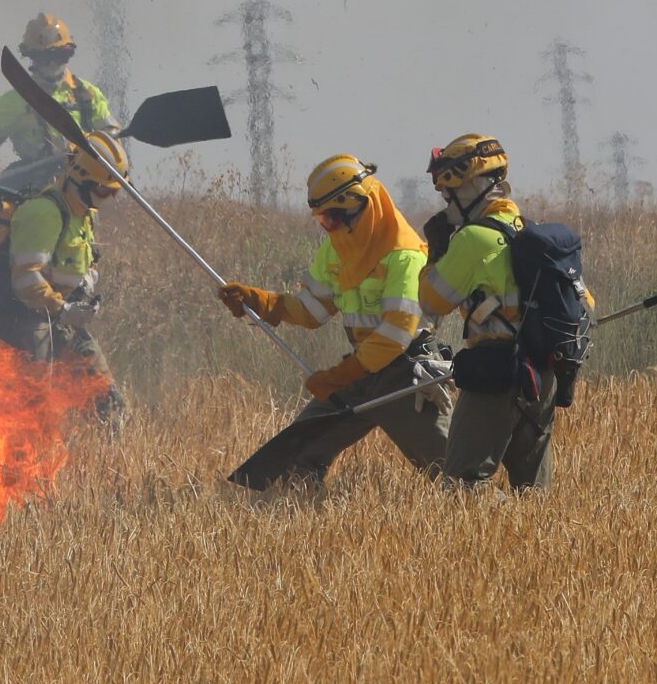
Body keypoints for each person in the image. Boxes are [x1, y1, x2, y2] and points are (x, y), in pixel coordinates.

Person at [217, 155, 449, 485]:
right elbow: (313, 311)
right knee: (293, 458)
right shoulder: (337, 250)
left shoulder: (404, 255)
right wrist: (263, 303)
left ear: (358, 206)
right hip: (360, 372)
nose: (328, 228)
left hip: (403, 375)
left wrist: (341, 375)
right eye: (323, 221)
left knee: (457, 476)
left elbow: (397, 332)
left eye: (332, 219)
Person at [418, 134, 573, 490]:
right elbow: (584, 305)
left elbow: (431, 301)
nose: (446, 204)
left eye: (448, 193)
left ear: (471, 184)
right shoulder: (532, 232)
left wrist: (437, 253)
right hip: (544, 377)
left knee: (463, 486)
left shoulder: (474, 239)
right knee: (533, 496)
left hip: (495, 375)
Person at [0, 130, 128, 421]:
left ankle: (110, 460)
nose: (111, 196)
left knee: (110, 403)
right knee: (36, 408)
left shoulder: (85, 212)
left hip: (66, 320)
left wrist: (88, 281)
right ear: (80, 180)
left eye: (115, 190)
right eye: (104, 190)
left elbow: (87, 260)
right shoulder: (44, 213)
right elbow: (25, 279)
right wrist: (63, 309)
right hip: (28, 321)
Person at [0, 13, 116, 191]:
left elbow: (110, 135)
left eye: (60, 55)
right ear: (32, 58)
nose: (53, 64)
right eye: (45, 58)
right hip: (31, 190)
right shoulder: (13, 102)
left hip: (79, 188)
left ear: (70, 53)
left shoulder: (89, 94)